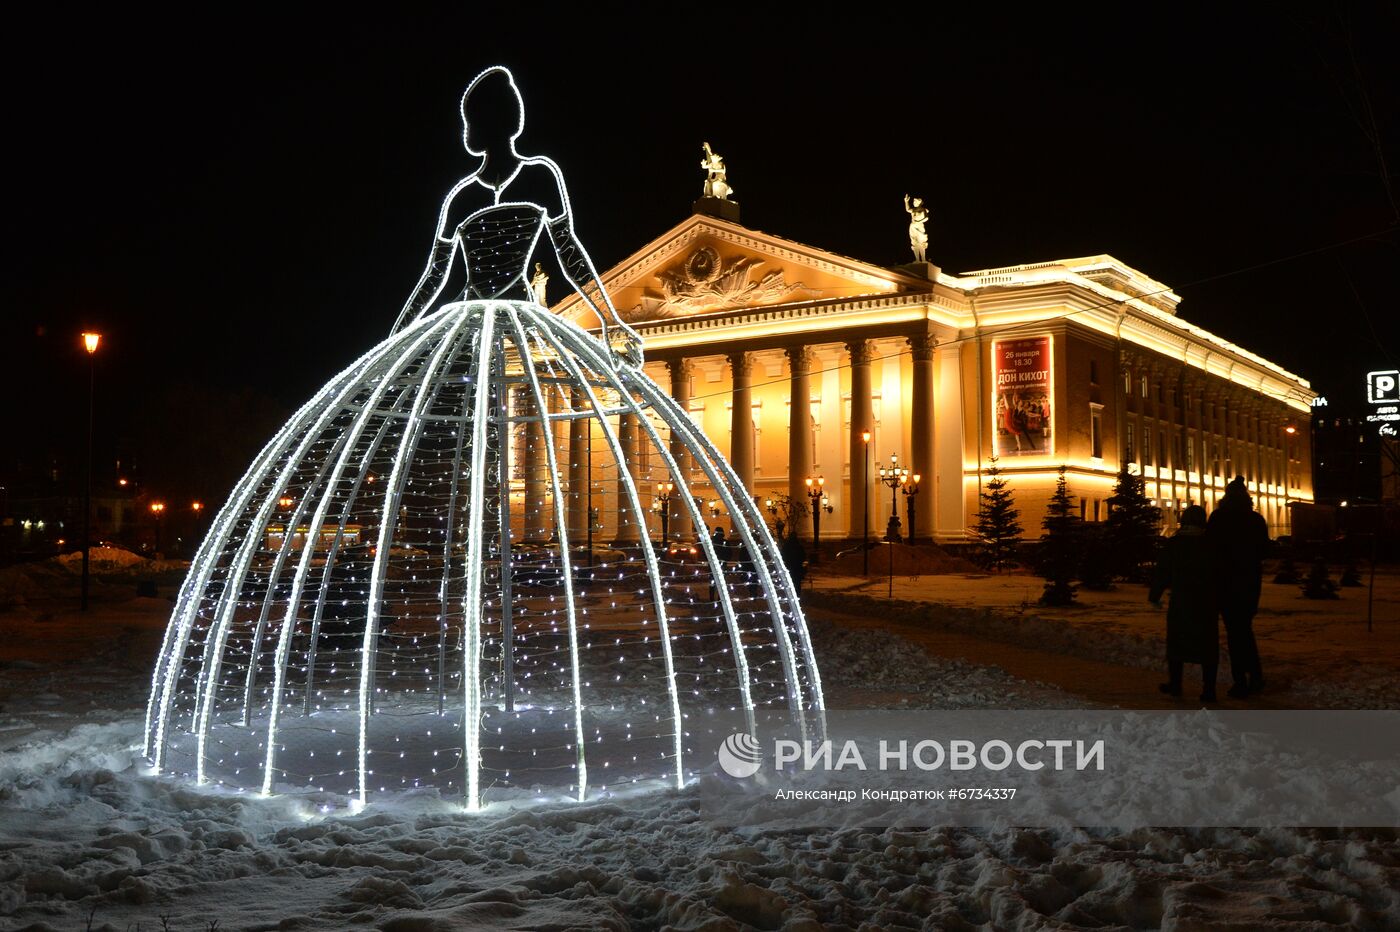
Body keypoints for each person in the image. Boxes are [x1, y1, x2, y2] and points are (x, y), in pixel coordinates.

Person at [1207, 476, 1270, 698]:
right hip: (1249, 582)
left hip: (1225, 583)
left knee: (1236, 633)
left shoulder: (1218, 518)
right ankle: (1254, 676)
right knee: (1243, 629)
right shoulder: (1255, 520)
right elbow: (1264, 550)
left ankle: (1242, 680)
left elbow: (1210, 550)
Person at [1149, 504, 1219, 702]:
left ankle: (1175, 685)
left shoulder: (1174, 544)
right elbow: (1222, 575)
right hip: (1206, 603)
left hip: (1181, 601)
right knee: (1207, 647)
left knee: (1177, 644)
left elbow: (1162, 573)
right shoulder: (1211, 545)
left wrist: (1154, 596)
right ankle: (1209, 690)